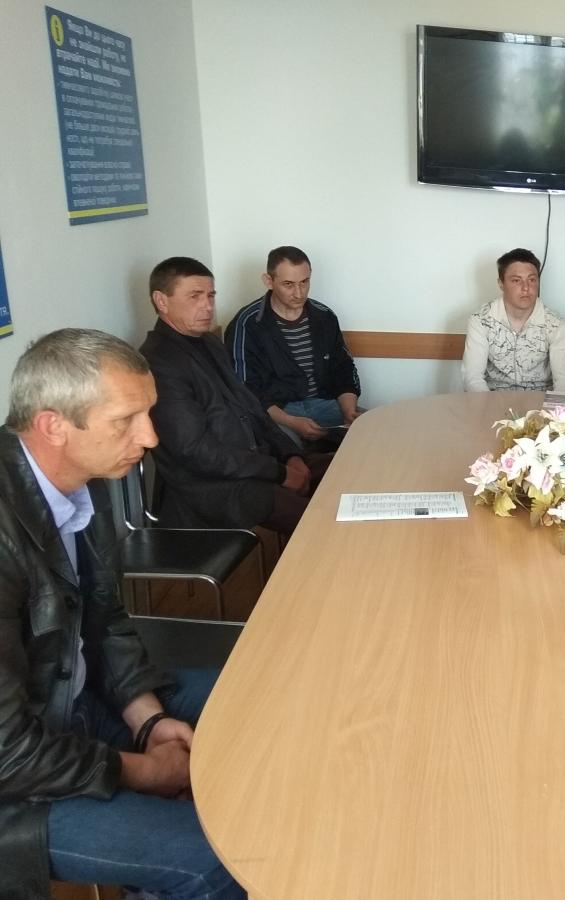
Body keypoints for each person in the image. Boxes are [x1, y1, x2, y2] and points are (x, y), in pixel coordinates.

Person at [0, 329, 244, 899]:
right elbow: (9, 752)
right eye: (125, 420)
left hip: (78, 705)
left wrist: (148, 720)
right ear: (53, 426)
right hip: (20, 785)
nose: (150, 437)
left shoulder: (84, 478)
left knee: (253, 701)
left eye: (148, 414)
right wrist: (144, 770)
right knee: (216, 861)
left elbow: (106, 622)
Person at [140, 256, 325, 534]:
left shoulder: (210, 343)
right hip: (213, 488)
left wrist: (291, 456)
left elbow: (253, 410)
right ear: (161, 301)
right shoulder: (159, 362)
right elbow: (197, 452)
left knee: (344, 468)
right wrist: (280, 473)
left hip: (254, 466)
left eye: (210, 295)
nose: (207, 306)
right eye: (195, 296)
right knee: (321, 522)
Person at [225, 246, 362, 447]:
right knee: (289, 449)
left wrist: (349, 411)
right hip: (278, 413)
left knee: (373, 431)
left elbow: (343, 369)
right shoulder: (247, 324)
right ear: (269, 281)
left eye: (304, 282)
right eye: (288, 284)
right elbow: (246, 388)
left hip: (326, 405)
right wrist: (291, 422)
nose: (299, 293)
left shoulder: (324, 316)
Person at [462, 248, 565, 392]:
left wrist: (551, 407)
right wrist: (488, 405)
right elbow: (473, 378)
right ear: (501, 284)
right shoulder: (481, 321)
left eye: (532, 280)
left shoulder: (555, 324)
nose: (526, 288)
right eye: (516, 280)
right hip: (493, 400)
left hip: (540, 402)